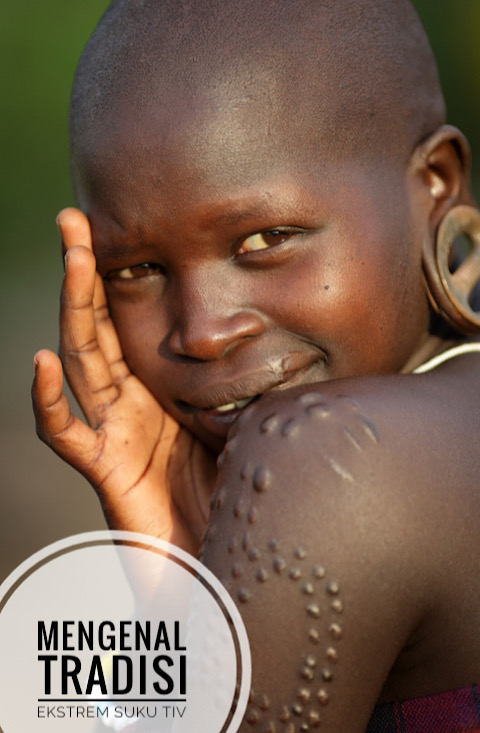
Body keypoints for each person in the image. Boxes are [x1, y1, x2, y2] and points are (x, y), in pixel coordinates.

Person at [32, 0, 480, 729]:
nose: (204, 332)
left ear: (435, 183)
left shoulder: (329, 459)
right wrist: (190, 591)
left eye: (267, 237)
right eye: (137, 268)